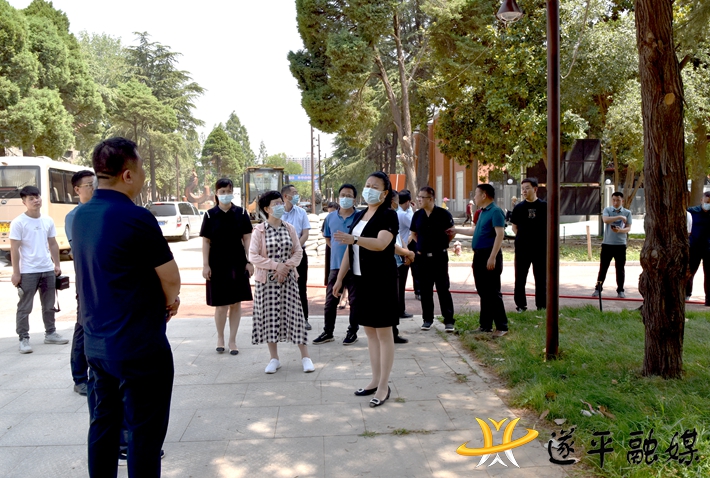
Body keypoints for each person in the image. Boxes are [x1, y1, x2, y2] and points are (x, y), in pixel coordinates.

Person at [73, 137, 180, 477]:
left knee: (103, 423)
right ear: (128, 175)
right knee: (144, 432)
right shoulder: (136, 217)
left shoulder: (79, 217)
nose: (144, 175)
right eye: (142, 168)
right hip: (139, 345)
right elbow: (171, 278)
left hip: (96, 343)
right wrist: (169, 303)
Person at [333, 171, 399, 407]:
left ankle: (384, 386)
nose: (369, 189)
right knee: (370, 332)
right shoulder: (361, 215)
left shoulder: (388, 215)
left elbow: (381, 244)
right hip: (360, 281)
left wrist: (355, 240)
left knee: (384, 333)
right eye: (367, 184)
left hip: (381, 281)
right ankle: (374, 380)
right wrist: (340, 279)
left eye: (375, 186)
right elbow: (350, 250)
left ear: (384, 193)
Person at [249, 190, 315, 373]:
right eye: (275, 204)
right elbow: (253, 256)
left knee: (296, 316)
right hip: (266, 283)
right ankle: (274, 359)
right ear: (266, 209)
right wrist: (275, 266)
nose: (280, 206)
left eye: (280, 202)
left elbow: (298, 251)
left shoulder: (289, 228)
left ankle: (306, 357)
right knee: (269, 318)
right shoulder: (259, 231)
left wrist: (285, 267)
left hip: (288, 280)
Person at [10, 186, 68, 354]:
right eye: (31, 198)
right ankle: (23, 338)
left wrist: (57, 264)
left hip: (47, 269)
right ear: (24, 202)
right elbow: (14, 249)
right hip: (28, 271)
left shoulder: (47, 220)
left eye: (37, 197)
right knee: (25, 307)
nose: (36, 200)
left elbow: (52, 243)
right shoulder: (18, 222)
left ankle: (50, 333)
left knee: (49, 305)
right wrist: (16, 273)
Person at [201, 178, 254, 355]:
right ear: (216, 193)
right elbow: (206, 241)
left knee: (236, 304)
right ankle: (220, 338)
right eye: (222, 191)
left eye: (228, 191)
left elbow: (247, 239)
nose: (225, 194)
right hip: (217, 264)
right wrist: (205, 265)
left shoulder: (242, 213)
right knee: (221, 305)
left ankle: (232, 340)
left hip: (238, 263)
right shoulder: (210, 215)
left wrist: (250, 261)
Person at [450, 184, 508, 337]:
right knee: (483, 291)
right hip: (479, 256)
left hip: (489, 255)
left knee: (492, 291)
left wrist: (492, 256)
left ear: (484, 195)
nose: (474, 197)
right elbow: (474, 231)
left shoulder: (495, 211)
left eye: (476, 194)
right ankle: (485, 325)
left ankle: (502, 326)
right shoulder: (482, 212)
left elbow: (500, 235)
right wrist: (456, 230)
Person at [313, 185, 360, 345]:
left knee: (355, 301)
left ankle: (352, 332)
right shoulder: (330, 218)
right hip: (335, 266)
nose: (345, 198)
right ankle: (328, 332)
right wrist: (337, 251)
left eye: (349, 195)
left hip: (355, 267)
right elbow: (328, 238)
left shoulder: (360, 217)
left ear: (354, 199)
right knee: (330, 301)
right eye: (343, 195)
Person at [64, 170, 96, 394]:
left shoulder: (100, 211)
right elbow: (79, 250)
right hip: (86, 279)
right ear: (77, 190)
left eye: (95, 184)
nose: (94, 188)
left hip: (104, 279)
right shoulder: (74, 216)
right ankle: (79, 377)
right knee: (83, 326)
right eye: (89, 185)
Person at [410, 187, 456, 332]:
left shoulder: (443, 214)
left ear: (430, 199)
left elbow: (451, 232)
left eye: (422, 197)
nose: (419, 200)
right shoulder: (417, 215)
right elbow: (413, 233)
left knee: (443, 289)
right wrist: (421, 246)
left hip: (440, 257)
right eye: (418, 197)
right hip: (423, 258)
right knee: (425, 290)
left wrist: (441, 244)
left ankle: (448, 320)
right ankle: (427, 319)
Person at [511, 178, 547, 312]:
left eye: (527, 188)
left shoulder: (544, 206)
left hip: (540, 248)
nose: (524, 191)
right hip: (522, 248)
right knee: (520, 278)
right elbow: (514, 227)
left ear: (535, 189)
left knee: (541, 278)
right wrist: (523, 238)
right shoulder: (519, 208)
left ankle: (542, 305)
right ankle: (520, 305)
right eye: (522, 189)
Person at [281, 184, 312, 330]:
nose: (297, 195)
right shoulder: (278, 213)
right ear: (285, 196)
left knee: (301, 287)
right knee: (281, 288)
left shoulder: (301, 212)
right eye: (294, 193)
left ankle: (303, 319)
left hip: (299, 255)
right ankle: (284, 321)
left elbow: (305, 233)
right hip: (281, 256)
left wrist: (296, 248)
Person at [592, 192, 632, 298]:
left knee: (620, 268)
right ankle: (598, 288)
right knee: (603, 268)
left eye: (618, 200)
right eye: (613, 200)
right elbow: (605, 220)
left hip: (620, 245)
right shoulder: (607, 210)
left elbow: (628, 228)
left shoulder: (627, 213)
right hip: (607, 244)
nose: (615, 202)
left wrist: (620, 230)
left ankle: (620, 290)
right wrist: (619, 217)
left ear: (622, 201)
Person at [391, 191, 414, 344]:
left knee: (396, 294)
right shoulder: (388, 216)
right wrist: (408, 253)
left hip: (399, 259)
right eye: (396, 200)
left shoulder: (393, 215)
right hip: (391, 261)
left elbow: (399, 236)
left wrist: (406, 251)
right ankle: (391, 332)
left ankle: (394, 331)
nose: (397, 203)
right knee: (392, 297)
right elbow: (390, 244)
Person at [686, 191, 710, 304]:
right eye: (707, 202)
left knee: (709, 274)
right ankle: (686, 294)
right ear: (701, 200)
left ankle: (709, 299)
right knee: (689, 271)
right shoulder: (692, 212)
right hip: (694, 246)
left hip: (709, 248)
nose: (708, 204)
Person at [322, 201, 339, 286]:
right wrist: (333, 247)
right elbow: (325, 234)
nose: (331, 214)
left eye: (333, 212)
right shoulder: (328, 219)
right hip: (331, 247)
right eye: (329, 212)